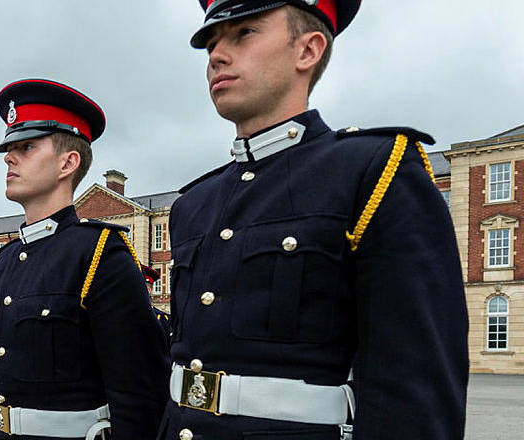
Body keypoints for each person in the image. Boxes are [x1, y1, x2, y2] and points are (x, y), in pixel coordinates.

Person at [161, 1, 469, 439]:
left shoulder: (373, 170)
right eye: (212, 43)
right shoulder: (194, 204)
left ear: (308, 50)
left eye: (243, 33)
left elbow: (414, 387)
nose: (217, 56)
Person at [0, 78, 170, 439]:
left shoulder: (101, 252)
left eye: (26, 147)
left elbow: (139, 396)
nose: (9, 157)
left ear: (68, 163)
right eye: (10, 148)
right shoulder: (5, 261)